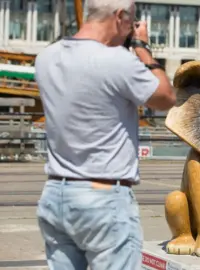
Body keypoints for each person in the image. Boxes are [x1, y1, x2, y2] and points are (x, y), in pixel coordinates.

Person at [34, 0, 176, 269]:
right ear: (120, 16)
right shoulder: (118, 61)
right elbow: (165, 97)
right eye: (131, 21)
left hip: (56, 193)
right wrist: (142, 47)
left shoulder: (46, 57)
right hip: (103, 195)